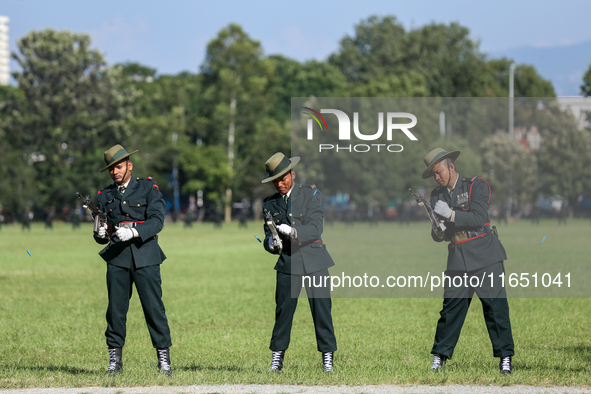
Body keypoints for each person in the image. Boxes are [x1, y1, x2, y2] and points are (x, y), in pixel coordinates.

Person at [421, 148, 514, 374]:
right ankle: (439, 357)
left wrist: (451, 215)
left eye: (439, 171)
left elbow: (480, 217)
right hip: (457, 258)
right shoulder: (437, 195)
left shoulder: (476, 185)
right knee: (450, 310)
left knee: (495, 308)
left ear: (451, 167)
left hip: (484, 254)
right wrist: (439, 228)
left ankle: (505, 359)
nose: (437, 177)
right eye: (433, 174)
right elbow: (438, 235)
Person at [90, 144, 173, 375]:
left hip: (146, 256)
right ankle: (115, 362)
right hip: (118, 258)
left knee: (154, 309)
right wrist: (99, 234)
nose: (115, 172)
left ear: (129, 165)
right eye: (111, 169)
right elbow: (104, 232)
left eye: (118, 166)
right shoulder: (105, 195)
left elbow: (157, 220)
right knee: (115, 310)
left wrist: (134, 231)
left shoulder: (147, 188)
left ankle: (164, 361)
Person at [261, 152, 337, 373]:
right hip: (288, 261)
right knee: (283, 311)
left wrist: (294, 231)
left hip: (315, 258)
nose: (280, 184)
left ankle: (327, 359)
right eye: (275, 180)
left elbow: (316, 227)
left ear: (292, 174)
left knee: (322, 309)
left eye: (283, 178)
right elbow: (268, 234)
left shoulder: (310, 194)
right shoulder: (269, 203)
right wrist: (270, 244)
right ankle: (277, 360)